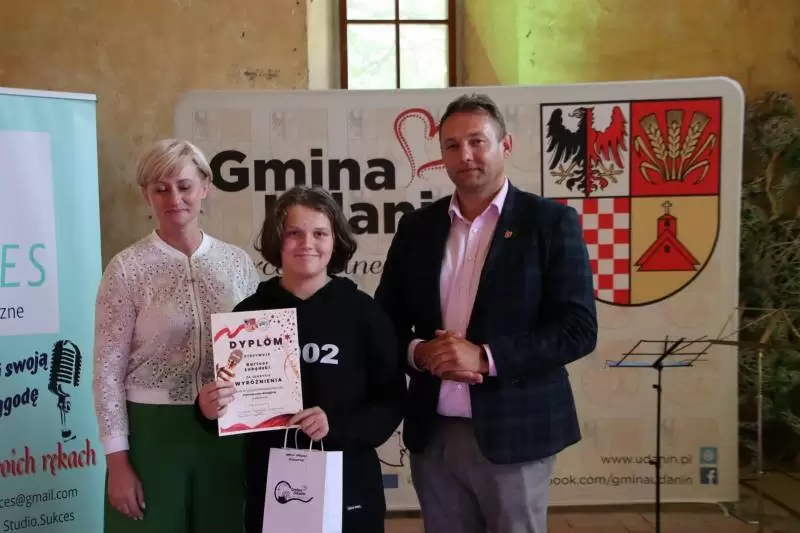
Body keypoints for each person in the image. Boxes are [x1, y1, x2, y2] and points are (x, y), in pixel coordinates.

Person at [374, 93, 598, 533]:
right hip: (434, 431)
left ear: (505, 145)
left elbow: (578, 329)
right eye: (452, 145)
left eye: (477, 141)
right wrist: (419, 352)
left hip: (516, 431)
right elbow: (384, 321)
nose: (465, 155)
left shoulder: (550, 223)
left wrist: (484, 357)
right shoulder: (417, 227)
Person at [197, 185, 406, 533]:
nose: (307, 243)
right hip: (271, 486)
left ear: (336, 240)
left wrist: (335, 425)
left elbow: (391, 400)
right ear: (277, 239)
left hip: (349, 484)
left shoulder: (364, 313)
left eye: (319, 233)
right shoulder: (248, 315)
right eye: (294, 233)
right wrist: (207, 408)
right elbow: (227, 405)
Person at [92, 139, 261, 533]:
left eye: (184, 186)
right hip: (151, 434)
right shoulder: (126, 269)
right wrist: (117, 462)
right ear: (146, 195)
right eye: (161, 188)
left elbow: (257, 351)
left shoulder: (237, 263)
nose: (174, 198)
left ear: (205, 187)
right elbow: (106, 373)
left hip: (226, 432)